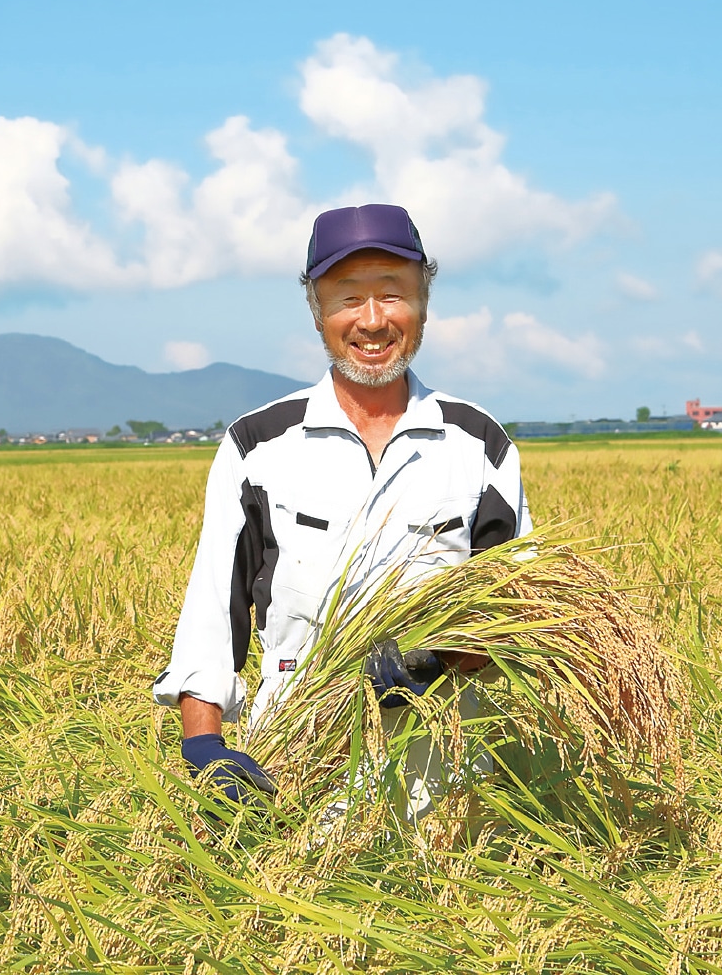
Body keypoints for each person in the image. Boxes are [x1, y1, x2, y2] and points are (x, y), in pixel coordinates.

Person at [153, 204, 531, 807]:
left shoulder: (478, 444)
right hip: (292, 768)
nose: (373, 320)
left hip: (448, 780)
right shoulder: (259, 446)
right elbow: (211, 615)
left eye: (393, 293)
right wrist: (204, 746)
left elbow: (517, 613)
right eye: (349, 298)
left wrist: (432, 658)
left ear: (424, 301)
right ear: (317, 311)